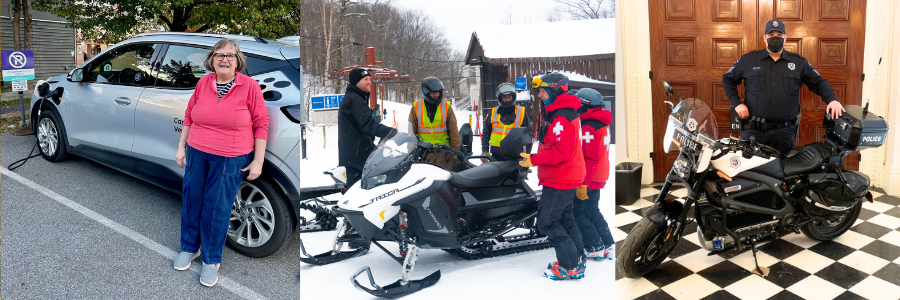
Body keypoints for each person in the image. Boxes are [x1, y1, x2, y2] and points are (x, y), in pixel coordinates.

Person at [173, 38, 269, 287]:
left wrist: (258, 161)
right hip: (197, 150)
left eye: (230, 55)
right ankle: (189, 247)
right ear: (211, 60)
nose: (224, 59)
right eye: (219, 55)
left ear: (238, 60)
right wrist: (182, 147)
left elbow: (261, 124)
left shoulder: (249, 87)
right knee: (192, 199)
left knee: (217, 207)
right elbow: (189, 115)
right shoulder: (204, 82)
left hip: (231, 155)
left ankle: (211, 259)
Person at [723, 19, 845, 156]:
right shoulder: (749, 60)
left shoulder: (798, 62)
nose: (775, 38)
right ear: (764, 38)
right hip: (754, 131)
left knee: (782, 173)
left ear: (785, 38)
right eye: (771, 35)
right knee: (750, 174)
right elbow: (727, 79)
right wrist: (737, 104)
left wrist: (832, 100)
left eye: (779, 35)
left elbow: (818, 82)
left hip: (784, 133)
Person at [518, 72, 586, 280]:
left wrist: (534, 160)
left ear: (555, 90)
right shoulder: (559, 112)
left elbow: (561, 152)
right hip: (562, 177)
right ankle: (577, 259)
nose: (539, 95)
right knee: (566, 219)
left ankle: (569, 265)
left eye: (542, 90)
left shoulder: (561, 116)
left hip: (561, 179)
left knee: (546, 222)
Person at [571, 88, 615, 261]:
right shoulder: (601, 120)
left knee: (578, 212)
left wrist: (583, 183)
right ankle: (607, 244)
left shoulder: (588, 126)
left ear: (584, 105)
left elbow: (590, 157)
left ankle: (594, 246)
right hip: (599, 173)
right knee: (591, 209)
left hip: (590, 176)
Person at [338, 68, 398, 187]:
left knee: (360, 191)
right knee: (362, 193)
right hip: (358, 155)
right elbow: (368, 124)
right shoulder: (354, 99)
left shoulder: (355, 98)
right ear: (356, 82)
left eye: (370, 79)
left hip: (357, 153)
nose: (370, 82)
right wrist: (390, 132)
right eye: (366, 79)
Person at [408, 77, 461, 170]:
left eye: (438, 92)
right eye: (433, 93)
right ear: (425, 93)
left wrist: (455, 153)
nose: (437, 95)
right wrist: (411, 153)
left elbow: (454, 132)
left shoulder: (446, 107)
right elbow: (410, 133)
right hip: (424, 155)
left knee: (443, 182)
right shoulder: (416, 107)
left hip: (443, 154)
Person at [481, 82, 532, 161]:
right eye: (504, 98)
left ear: (513, 96)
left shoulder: (521, 112)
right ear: (500, 98)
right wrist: (485, 151)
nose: (507, 100)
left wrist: (526, 155)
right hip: (496, 155)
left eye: (509, 97)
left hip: (515, 156)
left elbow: (528, 134)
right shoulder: (493, 112)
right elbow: (486, 133)